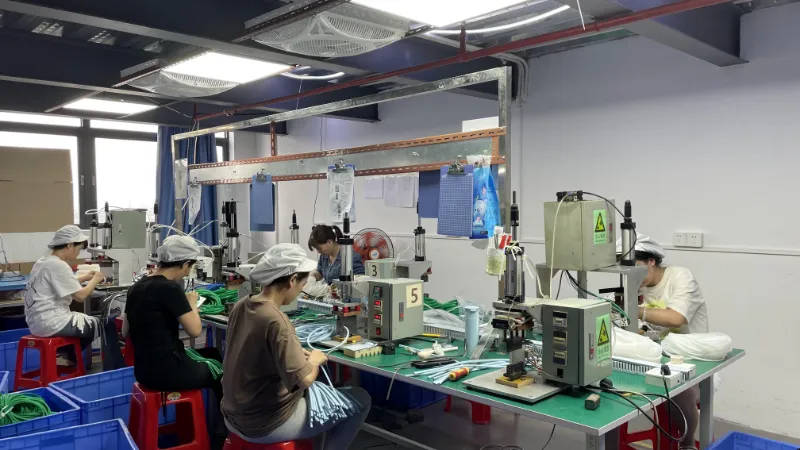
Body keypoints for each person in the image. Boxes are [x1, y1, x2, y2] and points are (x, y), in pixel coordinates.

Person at [222, 243, 371, 449]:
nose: (302, 289)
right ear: (292, 280)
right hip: (265, 423)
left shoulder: (242, 305)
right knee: (361, 399)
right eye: (303, 284)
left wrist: (288, 351)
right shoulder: (277, 320)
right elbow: (305, 380)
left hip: (232, 414)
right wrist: (315, 361)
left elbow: (250, 349)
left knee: (323, 392)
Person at [623, 235, 707, 450]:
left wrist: (634, 310)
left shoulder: (680, 276)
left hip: (691, 361)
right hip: (652, 358)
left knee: (680, 390)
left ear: (651, 261)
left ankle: (687, 444)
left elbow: (676, 318)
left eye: (636, 267)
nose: (632, 276)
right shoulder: (635, 286)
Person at [123, 235, 222, 404]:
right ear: (185, 263)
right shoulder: (170, 288)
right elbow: (195, 331)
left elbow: (125, 331)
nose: (188, 272)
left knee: (212, 353)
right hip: (169, 373)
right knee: (219, 370)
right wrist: (191, 305)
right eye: (190, 267)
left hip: (143, 372)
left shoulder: (135, 287)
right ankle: (228, 418)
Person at [24, 225, 105, 366]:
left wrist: (85, 278)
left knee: (85, 321)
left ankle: (64, 355)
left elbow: (60, 283)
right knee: (100, 324)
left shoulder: (43, 261)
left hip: (36, 322)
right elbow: (80, 296)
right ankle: (66, 355)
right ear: (69, 245)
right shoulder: (59, 265)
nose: (78, 254)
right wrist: (95, 280)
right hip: (52, 322)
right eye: (78, 249)